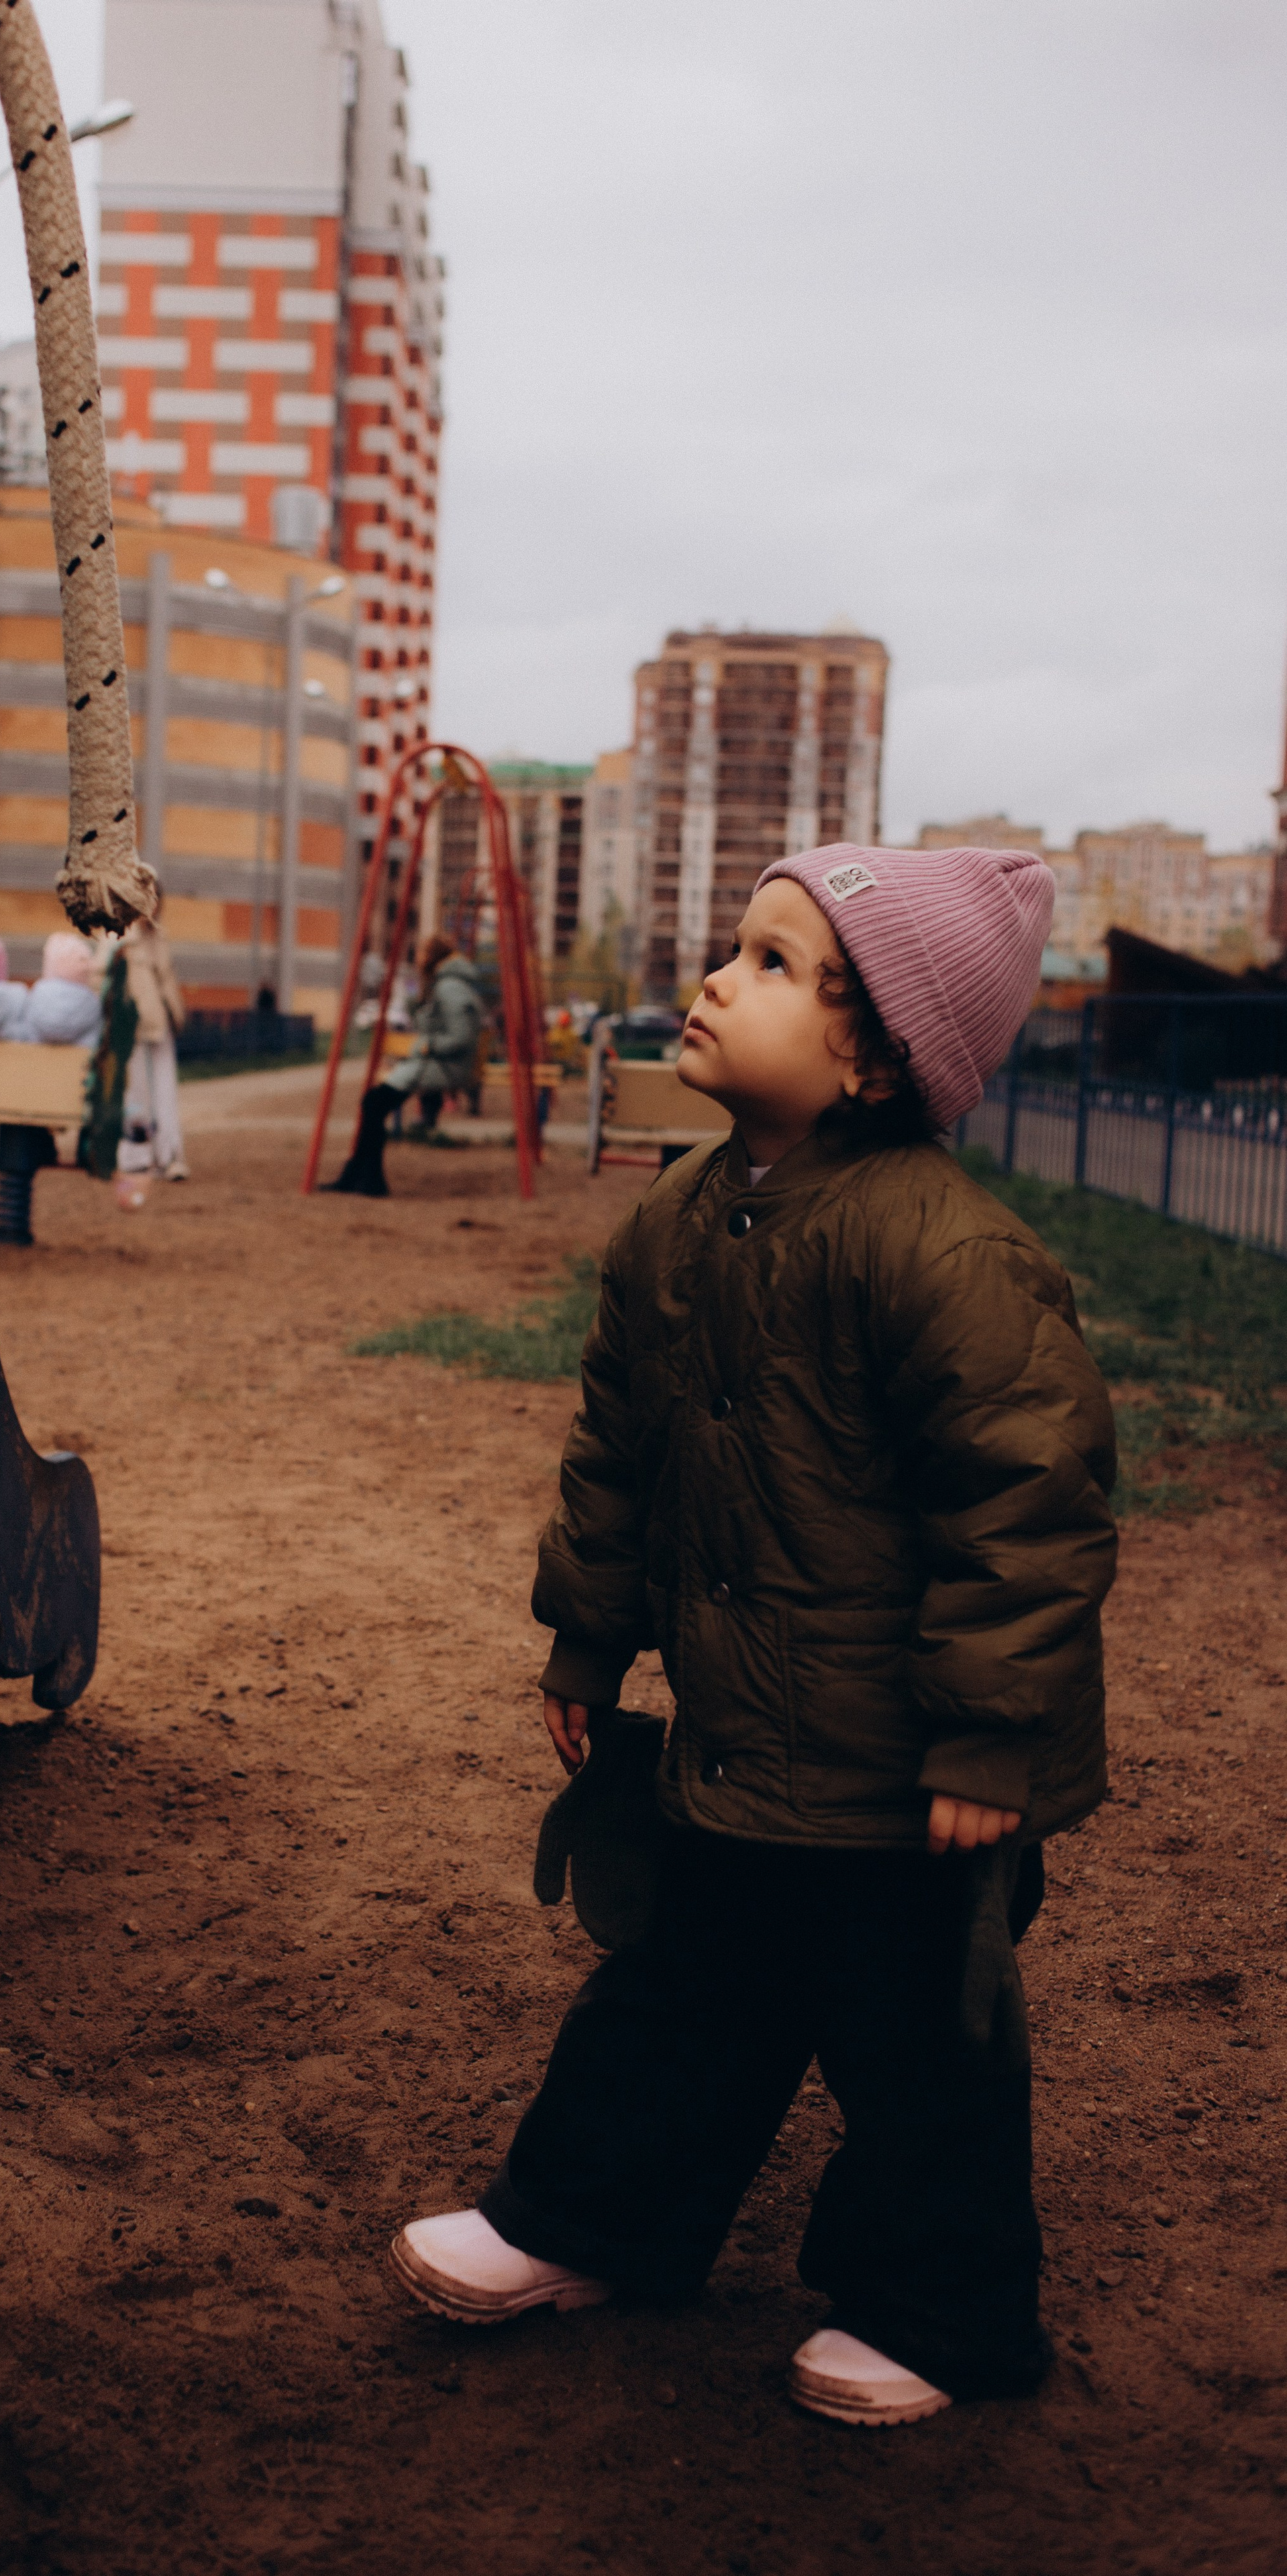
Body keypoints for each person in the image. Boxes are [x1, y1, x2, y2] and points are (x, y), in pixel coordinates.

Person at [387, 843, 1118, 2428]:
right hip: (735, 1740)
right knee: (672, 1999)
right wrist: (589, 1639)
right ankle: (579, 2222)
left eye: (776, 963)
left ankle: (941, 2309)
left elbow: (1029, 1505)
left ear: (871, 1056)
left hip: (898, 1773)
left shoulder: (941, 1250)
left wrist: (990, 1737)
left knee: (922, 2050)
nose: (717, 977)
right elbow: (617, 1455)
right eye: (734, 946)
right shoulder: (671, 1224)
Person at [323, 934, 485, 1196]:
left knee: (374, 1104)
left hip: (445, 1066)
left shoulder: (450, 987)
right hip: (439, 1063)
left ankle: (370, 1180)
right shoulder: (446, 984)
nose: (417, 958)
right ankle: (357, 1174)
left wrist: (426, 1045)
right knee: (373, 1103)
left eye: (421, 952)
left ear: (434, 957)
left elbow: (461, 1036)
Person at [119, 913, 189, 1181]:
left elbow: (167, 978)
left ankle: (169, 1155)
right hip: (131, 1029)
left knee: (164, 1093)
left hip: (159, 1027)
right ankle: (136, 1158)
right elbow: (102, 978)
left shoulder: (159, 935)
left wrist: (177, 1014)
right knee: (136, 1094)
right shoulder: (119, 935)